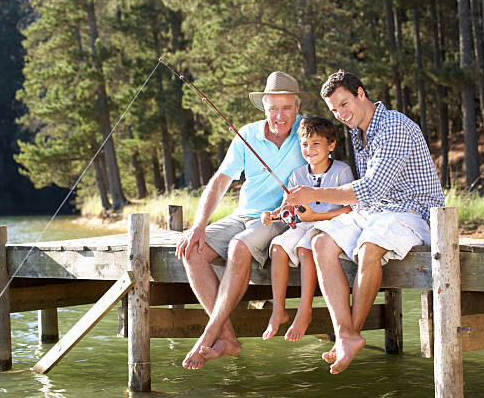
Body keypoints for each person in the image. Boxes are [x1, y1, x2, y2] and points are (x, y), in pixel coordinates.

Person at [284, 69, 445, 374]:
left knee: (369, 247)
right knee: (320, 241)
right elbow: (369, 197)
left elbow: (371, 188)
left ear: (361, 93)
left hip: (415, 210)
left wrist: (312, 193)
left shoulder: (393, 127)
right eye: (334, 110)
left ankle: (349, 335)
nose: (341, 114)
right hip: (377, 210)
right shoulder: (358, 130)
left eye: (344, 104)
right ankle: (345, 333)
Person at [175, 71, 313, 370]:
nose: (279, 116)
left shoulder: (307, 132)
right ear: (264, 107)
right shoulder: (246, 134)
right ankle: (227, 338)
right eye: (273, 108)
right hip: (243, 214)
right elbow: (219, 181)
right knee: (192, 251)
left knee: (239, 246)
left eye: (286, 108)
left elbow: (326, 164)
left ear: (298, 108)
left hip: (280, 218)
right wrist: (199, 225)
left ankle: (209, 335)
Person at [261, 117, 353, 342]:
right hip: (305, 224)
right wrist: (271, 216)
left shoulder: (342, 171)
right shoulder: (298, 175)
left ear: (331, 145)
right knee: (277, 248)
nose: (309, 149)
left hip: (332, 225)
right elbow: (287, 207)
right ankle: (278, 310)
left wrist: (317, 217)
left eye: (316, 144)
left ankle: (304, 310)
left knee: (305, 248)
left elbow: (350, 209)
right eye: (304, 144)